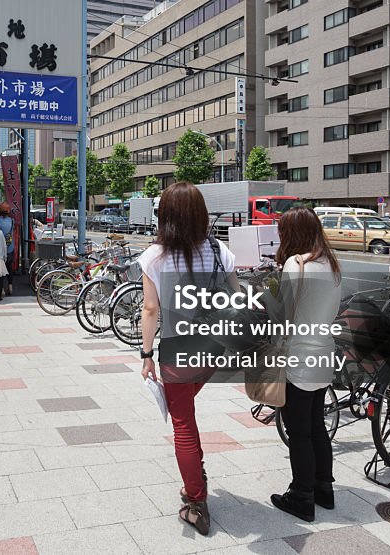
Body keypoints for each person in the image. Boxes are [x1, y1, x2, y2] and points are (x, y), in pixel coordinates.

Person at [138, 182, 238, 536]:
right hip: (214, 351)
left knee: (183, 424)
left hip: (178, 353)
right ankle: (195, 472)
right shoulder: (219, 250)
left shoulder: (154, 257)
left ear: (165, 215)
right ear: (200, 214)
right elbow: (235, 297)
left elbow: (151, 310)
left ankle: (197, 500)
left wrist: (147, 355)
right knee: (184, 411)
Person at [265, 207, 342, 523]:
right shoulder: (331, 264)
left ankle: (301, 496)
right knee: (315, 425)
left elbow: (281, 314)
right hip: (323, 353)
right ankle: (324, 489)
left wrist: (270, 290)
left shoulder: (296, 265)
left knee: (298, 432)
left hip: (298, 356)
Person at [0, 203, 16, 296]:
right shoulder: (12, 221)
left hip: (0, 248)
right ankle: (10, 286)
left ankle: (2, 289)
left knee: (0, 269)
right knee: (9, 268)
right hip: (10, 247)